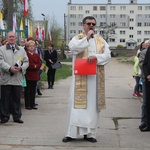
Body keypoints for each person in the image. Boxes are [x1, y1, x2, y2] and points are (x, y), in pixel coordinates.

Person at [62, 16, 111, 143]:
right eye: (88, 24)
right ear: (83, 25)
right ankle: (71, 133)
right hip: (80, 78)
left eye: (93, 24)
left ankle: (90, 134)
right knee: (75, 106)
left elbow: (107, 55)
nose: (91, 26)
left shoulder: (101, 40)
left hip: (94, 79)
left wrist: (95, 57)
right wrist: (87, 38)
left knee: (92, 107)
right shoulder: (77, 38)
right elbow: (73, 48)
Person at [0, 31, 29, 124]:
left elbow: (26, 61)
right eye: (10, 37)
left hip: (17, 78)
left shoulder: (21, 50)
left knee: (16, 98)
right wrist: (9, 68)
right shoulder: (2, 49)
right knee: (5, 99)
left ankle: (17, 117)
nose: (11, 38)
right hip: (6, 78)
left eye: (13, 37)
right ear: (7, 38)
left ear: (16, 38)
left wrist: (21, 67)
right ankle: (4, 117)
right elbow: (1, 61)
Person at [24, 40, 42, 110]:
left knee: (33, 90)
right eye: (30, 46)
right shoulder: (25, 54)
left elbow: (39, 63)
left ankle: (32, 103)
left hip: (35, 74)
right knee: (27, 90)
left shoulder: (36, 55)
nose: (32, 47)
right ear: (27, 47)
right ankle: (27, 104)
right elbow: (26, 63)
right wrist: (33, 66)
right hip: (28, 74)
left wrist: (36, 66)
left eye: (33, 46)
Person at [139, 40, 150, 131]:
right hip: (146, 79)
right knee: (146, 102)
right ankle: (144, 121)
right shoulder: (145, 52)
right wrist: (147, 75)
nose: (146, 46)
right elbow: (143, 64)